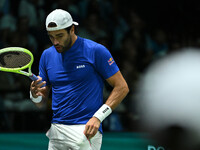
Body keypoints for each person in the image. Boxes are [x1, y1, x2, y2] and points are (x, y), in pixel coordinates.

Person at [30, 9, 129, 150]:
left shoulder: (96, 50)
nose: (55, 41)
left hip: (85, 130)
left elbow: (122, 87)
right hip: (56, 131)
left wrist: (98, 117)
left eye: (59, 35)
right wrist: (34, 95)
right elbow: (40, 103)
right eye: (51, 37)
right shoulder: (46, 55)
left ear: (72, 29)